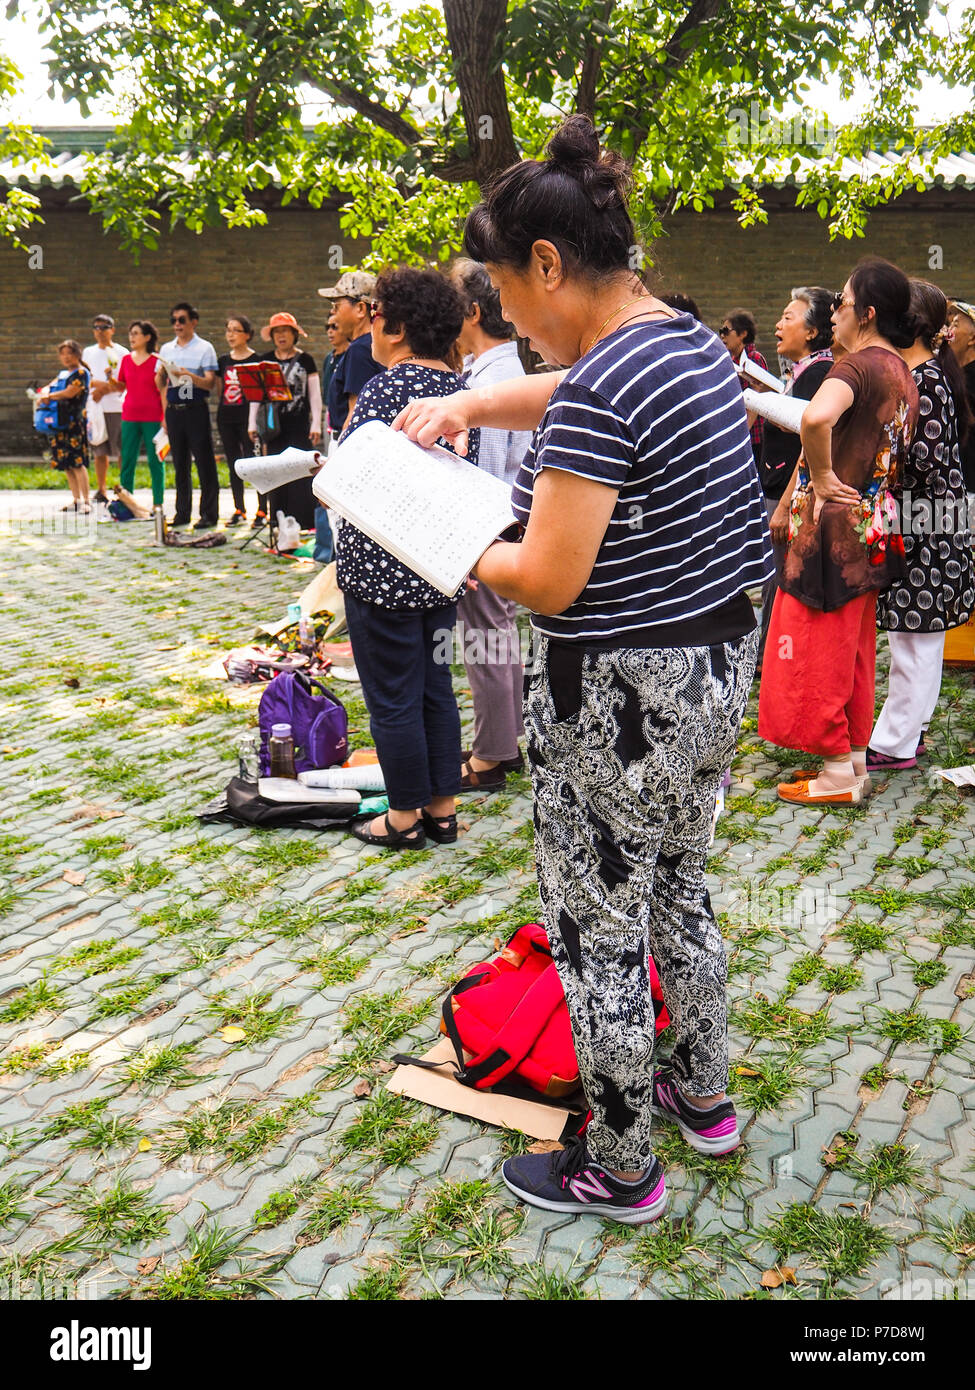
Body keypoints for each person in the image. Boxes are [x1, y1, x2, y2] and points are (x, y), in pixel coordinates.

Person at [395, 116, 772, 1223]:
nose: (509, 323)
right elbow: (564, 394)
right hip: (712, 678)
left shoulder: (605, 385)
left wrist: (444, 534)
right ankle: (703, 1098)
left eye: (507, 296)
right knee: (679, 889)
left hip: (617, 700)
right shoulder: (684, 343)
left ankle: (618, 1165)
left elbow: (548, 580)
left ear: (549, 265)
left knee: (597, 928)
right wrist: (469, 403)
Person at [759, 256, 920, 805]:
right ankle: (852, 761)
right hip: (871, 529)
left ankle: (834, 772)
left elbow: (815, 418)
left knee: (818, 648)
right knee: (853, 650)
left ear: (867, 313)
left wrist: (823, 477)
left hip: (831, 533)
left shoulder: (855, 367)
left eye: (843, 303)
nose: (834, 314)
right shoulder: (902, 372)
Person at [340, 268, 478, 851]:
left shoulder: (385, 388)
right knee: (434, 689)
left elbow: (352, 475)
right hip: (438, 568)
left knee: (393, 696)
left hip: (380, 570)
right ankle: (442, 811)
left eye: (373, 313)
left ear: (395, 327)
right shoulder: (460, 391)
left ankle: (402, 818)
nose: (369, 324)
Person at [868, 280, 975, 770]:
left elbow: (923, 462)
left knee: (914, 640)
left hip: (926, 524)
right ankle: (911, 731)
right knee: (918, 638)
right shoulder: (928, 374)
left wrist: (872, 460)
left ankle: (896, 743)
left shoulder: (924, 381)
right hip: (929, 522)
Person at [450, 257, 532, 791]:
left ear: (474, 312)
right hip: (500, 524)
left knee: (486, 639)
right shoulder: (493, 372)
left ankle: (493, 753)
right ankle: (504, 739)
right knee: (494, 636)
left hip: (488, 527)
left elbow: (482, 468)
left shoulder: (494, 380)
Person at [758, 287, 835, 664]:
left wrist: (785, 505)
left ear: (812, 332)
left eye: (788, 317)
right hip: (780, 487)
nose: (778, 324)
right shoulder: (802, 371)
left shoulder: (820, 372)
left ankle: (773, 656)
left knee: (781, 575)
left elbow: (807, 438)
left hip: (791, 492)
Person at [246, 312, 321, 532]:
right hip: (274, 426)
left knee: (300, 469)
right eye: (277, 332)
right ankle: (278, 519)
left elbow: (314, 395)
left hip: (299, 424)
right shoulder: (265, 361)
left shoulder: (306, 360)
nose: (281, 336)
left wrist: (316, 423)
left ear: (294, 335)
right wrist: (252, 423)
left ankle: (304, 520)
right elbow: (256, 396)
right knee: (276, 470)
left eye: (285, 331)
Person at [156, 302, 220, 529]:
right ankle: (182, 513)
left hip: (195, 409)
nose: (177, 325)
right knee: (180, 464)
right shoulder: (166, 349)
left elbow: (210, 382)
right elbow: (161, 383)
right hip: (174, 410)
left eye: (181, 320)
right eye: (173, 320)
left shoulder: (205, 348)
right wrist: (164, 410)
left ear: (193, 322)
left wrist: (188, 376)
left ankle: (209, 514)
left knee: (204, 462)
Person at [318, 271, 382, 434]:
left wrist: (345, 444)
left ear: (360, 308)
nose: (333, 313)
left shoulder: (359, 350)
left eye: (337, 306)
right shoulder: (376, 345)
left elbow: (356, 412)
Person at [312, 310, 351, 563]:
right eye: (327, 327)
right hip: (332, 432)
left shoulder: (352, 356)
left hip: (346, 434)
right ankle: (330, 552)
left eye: (335, 326)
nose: (330, 331)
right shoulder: (329, 359)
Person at [216, 315, 262, 526]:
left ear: (248, 335)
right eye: (228, 330)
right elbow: (220, 389)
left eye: (236, 330)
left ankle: (262, 510)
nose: (231, 334)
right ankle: (239, 508)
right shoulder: (223, 361)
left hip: (248, 419)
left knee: (254, 462)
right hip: (226, 417)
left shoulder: (256, 360)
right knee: (233, 463)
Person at [117, 321, 165, 506]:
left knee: (155, 461)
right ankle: (126, 503)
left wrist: (165, 417)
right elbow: (121, 385)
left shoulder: (157, 361)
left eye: (136, 333)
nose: (132, 337)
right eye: (131, 333)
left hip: (153, 416)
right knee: (127, 460)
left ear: (147, 337)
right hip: (129, 415)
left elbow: (163, 390)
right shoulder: (125, 360)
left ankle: (158, 504)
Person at [40, 340, 91, 511]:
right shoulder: (62, 374)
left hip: (74, 423)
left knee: (77, 462)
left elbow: (70, 392)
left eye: (70, 353)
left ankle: (86, 501)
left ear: (78, 354)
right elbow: (48, 387)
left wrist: (50, 396)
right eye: (63, 354)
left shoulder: (81, 373)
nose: (66, 357)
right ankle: (76, 500)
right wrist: (44, 393)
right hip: (59, 423)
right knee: (67, 463)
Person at [82, 313, 126, 505]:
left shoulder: (121, 352)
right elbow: (86, 378)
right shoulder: (88, 352)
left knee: (122, 450)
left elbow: (124, 382)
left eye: (104, 327)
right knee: (99, 451)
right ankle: (101, 489)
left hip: (117, 406)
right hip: (95, 407)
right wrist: (100, 388)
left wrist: (104, 389)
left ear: (112, 330)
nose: (100, 331)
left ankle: (124, 488)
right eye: (97, 328)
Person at [720, 308, 769, 467]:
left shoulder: (753, 359)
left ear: (743, 334)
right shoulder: (732, 360)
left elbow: (756, 398)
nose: (722, 336)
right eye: (721, 331)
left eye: (726, 331)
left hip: (753, 437)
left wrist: (743, 432)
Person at [948, 298, 975, 492]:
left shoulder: (969, 380)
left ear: (972, 339)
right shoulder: (956, 376)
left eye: (955, 325)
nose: (947, 332)